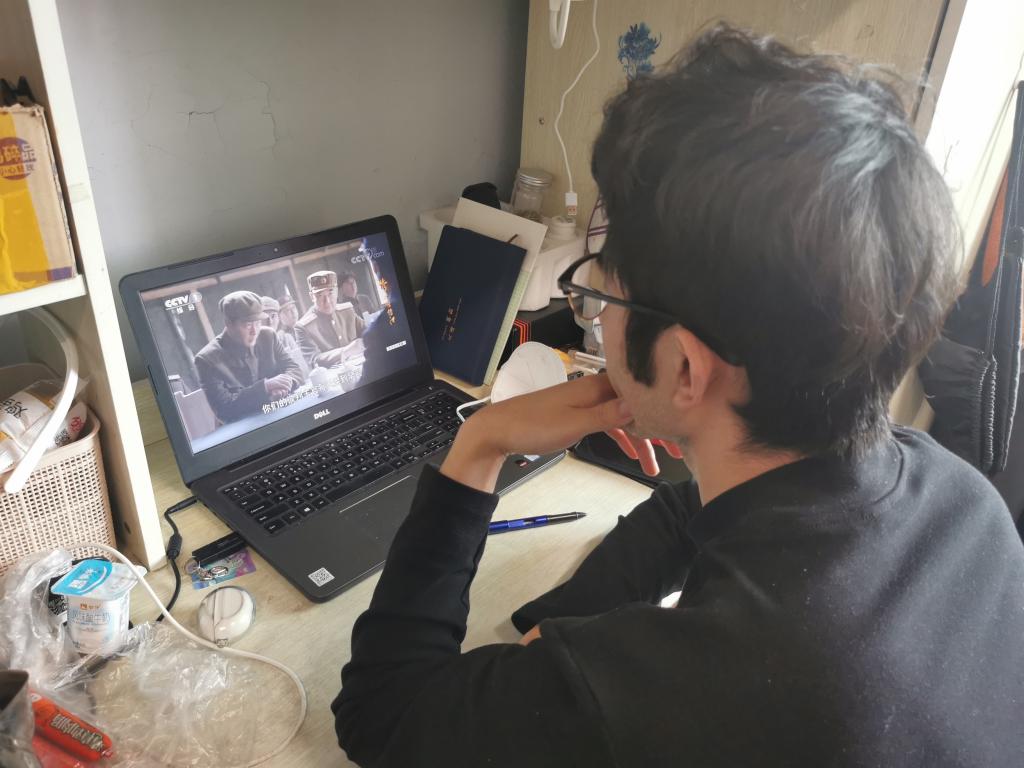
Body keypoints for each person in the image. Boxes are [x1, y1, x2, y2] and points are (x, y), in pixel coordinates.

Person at [331, 24, 1024, 767]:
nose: (598, 319)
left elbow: (383, 716)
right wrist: (558, 637)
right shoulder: (960, 499)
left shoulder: (700, 685)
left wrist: (480, 443)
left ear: (687, 368)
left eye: (603, 295)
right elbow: (694, 514)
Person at [193, 291, 302, 423]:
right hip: (243, 427)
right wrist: (265, 387)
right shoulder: (207, 359)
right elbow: (224, 409)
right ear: (229, 323)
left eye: (258, 323)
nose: (255, 331)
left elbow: (293, 368)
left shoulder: (268, 336)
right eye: (248, 324)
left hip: (281, 413)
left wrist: (286, 383)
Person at [294, 270, 366, 369]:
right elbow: (314, 360)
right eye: (320, 296)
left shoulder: (347, 310)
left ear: (336, 292)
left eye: (330, 294)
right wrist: (346, 351)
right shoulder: (303, 326)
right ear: (311, 297)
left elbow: (369, 333)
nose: (327, 301)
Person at [264, 294, 308, 380]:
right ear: (280, 316)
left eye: (293, 308)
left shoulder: (304, 327)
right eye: (287, 311)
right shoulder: (282, 337)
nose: (293, 312)